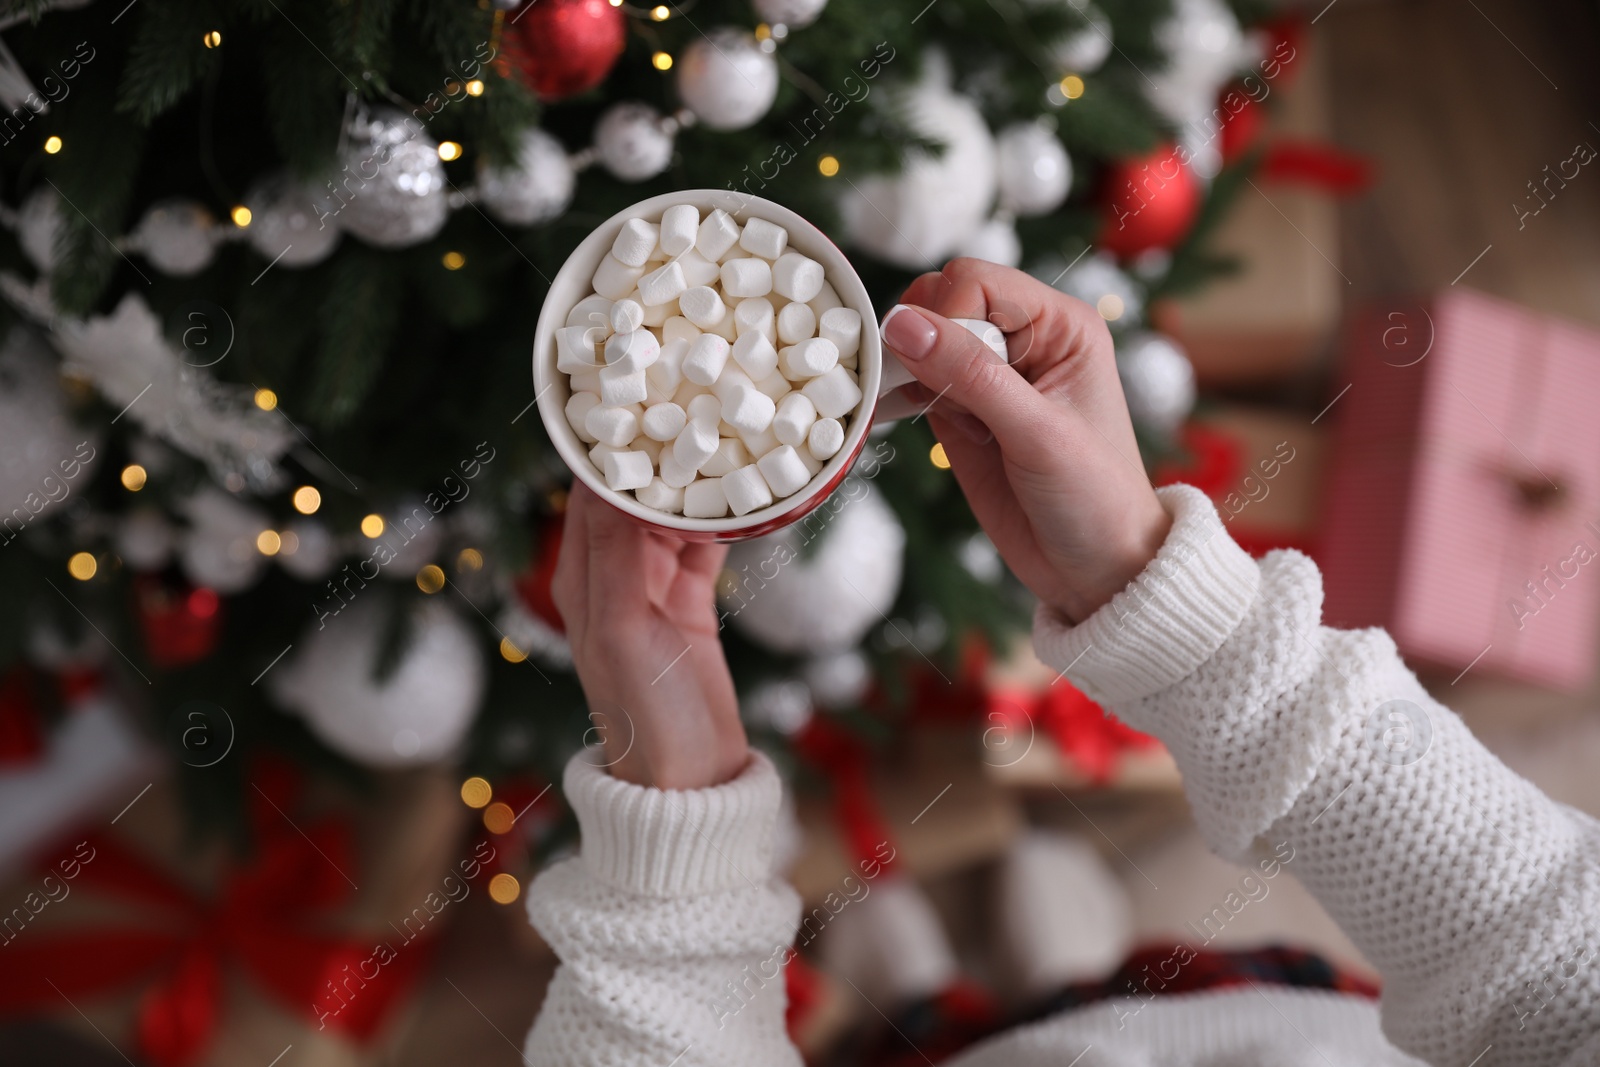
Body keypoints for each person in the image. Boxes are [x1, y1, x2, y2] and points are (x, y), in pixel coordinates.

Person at [523, 260, 1600, 1066]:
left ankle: (927, 994)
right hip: (1254, 1030)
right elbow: (1555, 960)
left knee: (937, 1031)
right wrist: (1176, 605)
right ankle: (1040, 984)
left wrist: (676, 847)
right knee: (1084, 1003)